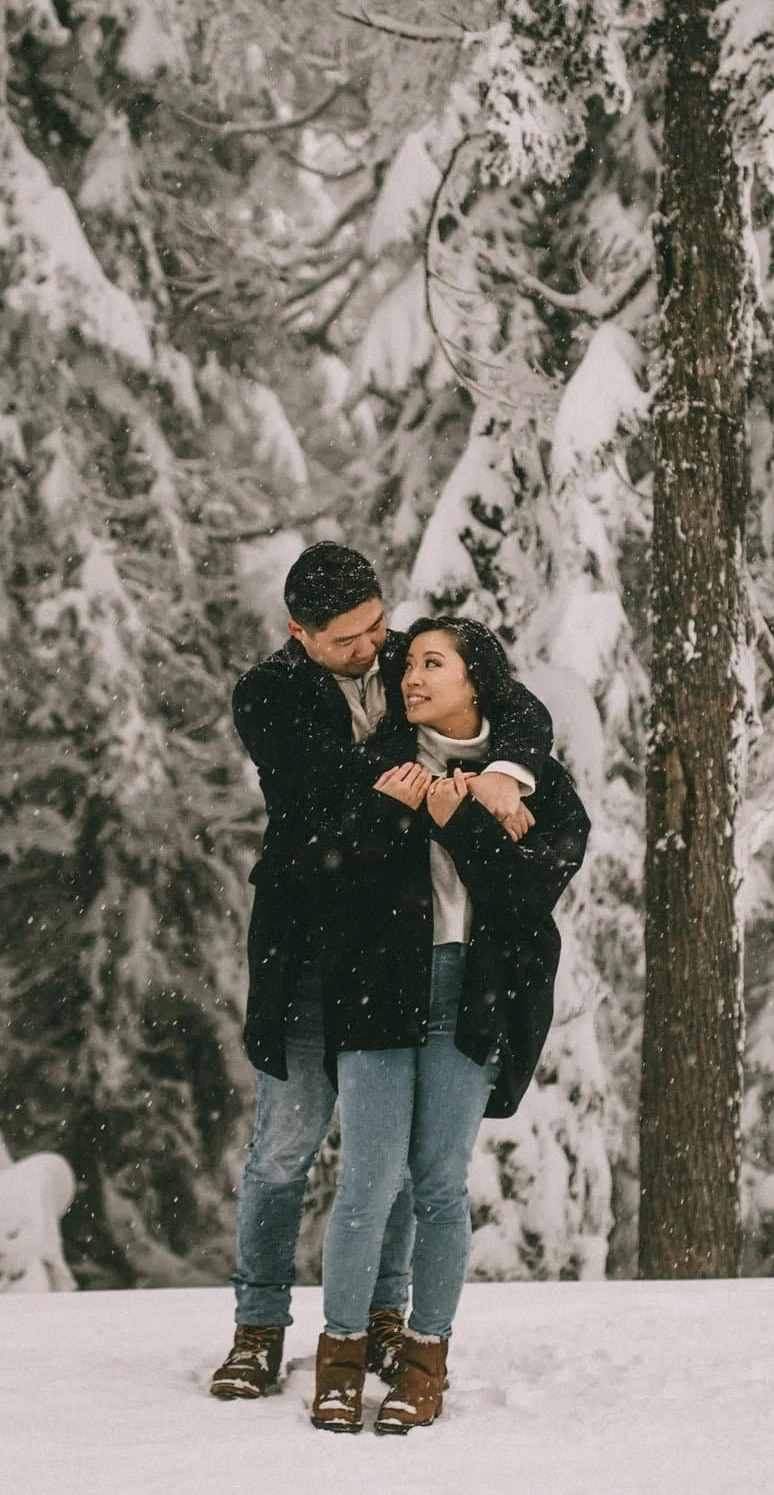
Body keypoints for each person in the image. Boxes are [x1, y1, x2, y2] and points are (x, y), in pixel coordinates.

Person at [209, 546, 556, 1402]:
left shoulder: (408, 657)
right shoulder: (267, 693)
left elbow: (514, 706)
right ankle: (258, 1328)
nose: (375, 648)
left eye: (378, 624)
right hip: (309, 949)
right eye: (348, 639)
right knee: (284, 1148)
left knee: (394, 1158)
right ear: (301, 633)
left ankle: (385, 1314)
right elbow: (310, 790)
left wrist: (504, 774)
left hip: (396, 950)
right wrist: (414, 785)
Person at [309, 616, 589, 1434]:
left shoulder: (540, 787)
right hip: (377, 992)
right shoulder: (377, 766)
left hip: (473, 994)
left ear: (477, 683)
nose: (413, 678)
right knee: (364, 1182)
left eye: (435, 664)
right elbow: (330, 881)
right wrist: (386, 816)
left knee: (437, 1184)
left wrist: (454, 814)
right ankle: (341, 1354)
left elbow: (523, 897)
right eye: (410, 667)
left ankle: (425, 1360)